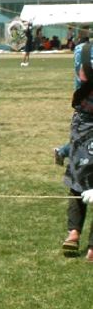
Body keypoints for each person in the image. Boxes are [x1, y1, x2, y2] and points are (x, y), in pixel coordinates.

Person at [62, 40, 93, 260]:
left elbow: (81, 78)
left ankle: (73, 232)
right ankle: (92, 248)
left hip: (82, 123)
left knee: (77, 181)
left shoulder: (81, 50)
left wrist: (65, 149)